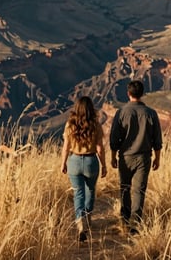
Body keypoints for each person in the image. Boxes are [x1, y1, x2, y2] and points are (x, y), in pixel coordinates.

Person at [110, 80, 162, 234]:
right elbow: (157, 140)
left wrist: (113, 157)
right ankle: (135, 224)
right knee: (139, 190)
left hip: (125, 157)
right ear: (142, 94)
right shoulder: (151, 113)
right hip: (144, 158)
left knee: (125, 188)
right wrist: (157, 158)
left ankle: (124, 219)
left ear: (128, 94)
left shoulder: (121, 112)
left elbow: (114, 139)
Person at [60, 96, 107, 242]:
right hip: (91, 161)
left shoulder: (70, 124)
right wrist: (104, 164)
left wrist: (63, 163)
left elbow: (66, 147)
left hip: (74, 160)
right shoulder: (95, 124)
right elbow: (100, 148)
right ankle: (87, 218)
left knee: (78, 193)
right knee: (90, 190)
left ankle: (80, 221)